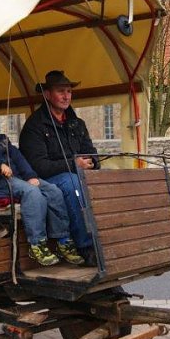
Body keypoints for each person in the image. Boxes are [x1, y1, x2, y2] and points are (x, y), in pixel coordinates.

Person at [0, 103, 84, 267]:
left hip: (17, 179)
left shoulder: (3, 140)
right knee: (33, 193)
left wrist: (31, 176)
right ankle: (37, 243)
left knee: (54, 191)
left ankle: (62, 239)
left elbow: (20, 159)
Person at [18, 70, 100, 266]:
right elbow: (38, 166)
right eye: (61, 91)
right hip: (46, 180)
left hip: (78, 175)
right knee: (71, 182)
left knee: (104, 181)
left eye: (69, 91)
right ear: (47, 95)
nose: (66, 96)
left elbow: (92, 152)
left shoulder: (77, 124)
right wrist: (74, 165)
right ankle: (86, 246)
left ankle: (110, 238)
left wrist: (93, 163)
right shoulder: (34, 126)